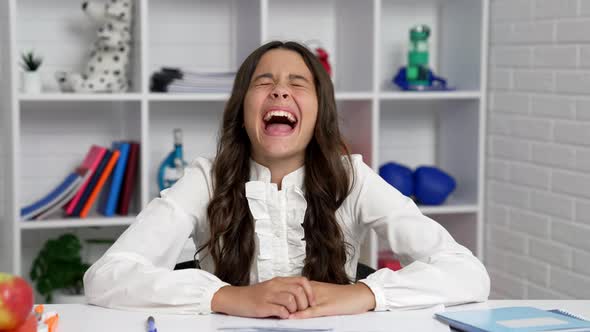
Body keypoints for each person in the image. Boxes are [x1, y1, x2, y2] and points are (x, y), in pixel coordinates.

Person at [83, 41, 490, 319]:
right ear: (242, 109)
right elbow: (105, 277)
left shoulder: (353, 177)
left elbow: (468, 273)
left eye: (298, 83)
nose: (280, 91)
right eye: (264, 83)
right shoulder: (206, 179)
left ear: (319, 111)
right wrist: (231, 298)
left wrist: (361, 294)